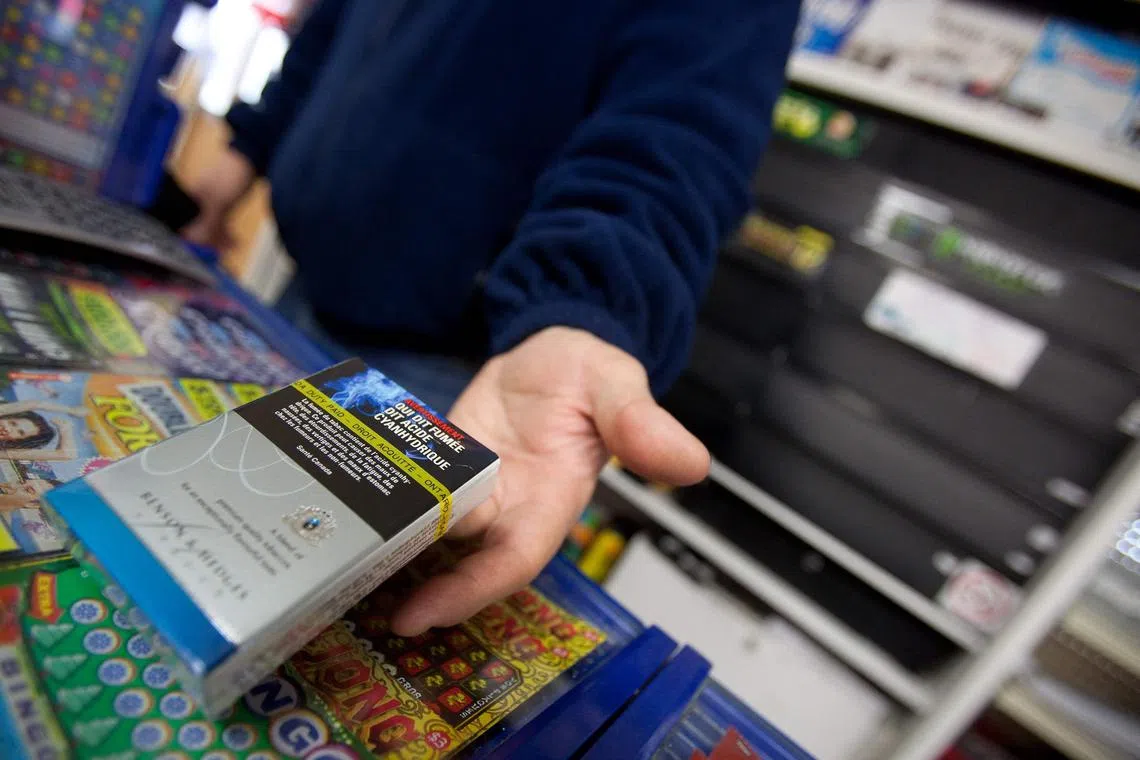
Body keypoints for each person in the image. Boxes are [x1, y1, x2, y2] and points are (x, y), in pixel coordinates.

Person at [182, 0, 800, 636]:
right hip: (296, 292)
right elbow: (337, 26)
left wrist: (584, 306)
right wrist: (244, 153)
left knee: (308, 620)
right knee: (195, 551)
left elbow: (681, 133)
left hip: (455, 376)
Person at [0, 402, 87, 462]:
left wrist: (66, 429)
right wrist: (70, 410)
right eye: (12, 423)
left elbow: (67, 454)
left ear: (17, 440)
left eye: (20, 432)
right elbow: (35, 404)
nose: (8, 429)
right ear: (6, 417)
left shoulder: (6, 452)